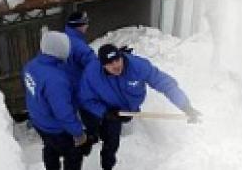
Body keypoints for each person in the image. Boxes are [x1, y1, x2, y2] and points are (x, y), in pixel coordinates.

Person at [78, 44, 201, 170]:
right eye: (110, 63)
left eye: (117, 60)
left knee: (112, 140)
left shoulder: (138, 66)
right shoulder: (92, 73)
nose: (116, 65)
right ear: (102, 65)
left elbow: (164, 83)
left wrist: (185, 106)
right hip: (104, 107)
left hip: (125, 110)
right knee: (102, 134)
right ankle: (94, 140)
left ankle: (106, 162)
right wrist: (104, 112)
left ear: (121, 56)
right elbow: (85, 100)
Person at [24, 31, 88, 170]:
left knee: (50, 147)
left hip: (39, 119)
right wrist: (78, 133)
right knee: (74, 154)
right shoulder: (55, 80)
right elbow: (63, 113)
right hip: (55, 128)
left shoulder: (32, 65)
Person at [62, 11, 97, 152]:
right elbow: (94, 64)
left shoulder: (65, 38)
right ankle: (91, 138)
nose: (87, 25)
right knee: (89, 113)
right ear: (79, 26)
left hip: (67, 85)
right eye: (85, 23)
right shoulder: (78, 45)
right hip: (78, 86)